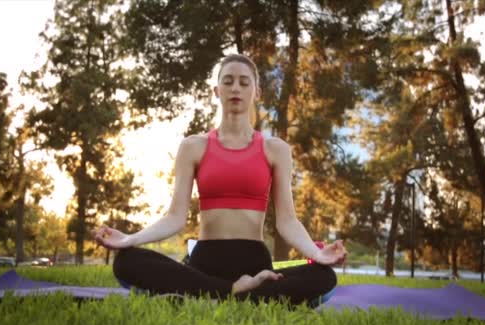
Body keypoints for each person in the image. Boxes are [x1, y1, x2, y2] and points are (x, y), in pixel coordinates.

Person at [93, 53, 347, 307]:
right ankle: (238, 293)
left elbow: (287, 221)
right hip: (206, 262)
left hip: (254, 264)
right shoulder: (193, 146)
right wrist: (129, 240)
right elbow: (175, 217)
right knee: (126, 261)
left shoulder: (275, 149)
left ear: (256, 92)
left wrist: (317, 254)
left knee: (323, 277)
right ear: (216, 91)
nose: (236, 87)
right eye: (228, 81)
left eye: (244, 82)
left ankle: (210, 296)